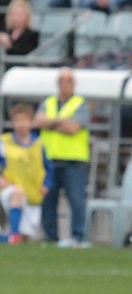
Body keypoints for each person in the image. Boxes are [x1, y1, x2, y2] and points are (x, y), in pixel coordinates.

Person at [0, 103, 54, 244]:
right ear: (12, 123)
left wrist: (47, 184)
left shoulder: (39, 144)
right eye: (17, 121)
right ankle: (13, 234)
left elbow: (49, 167)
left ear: (31, 122)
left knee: (25, 237)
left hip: (33, 193)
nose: (21, 125)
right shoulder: (3, 143)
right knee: (17, 193)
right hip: (11, 190)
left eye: (25, 121)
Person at [32, 67, 91, 248]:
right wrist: (61, 121)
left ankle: (77, 236)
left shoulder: (80, 103)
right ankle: (51, 236)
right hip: (49, 160)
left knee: (76, 200)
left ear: (73, 83)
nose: (64, 84)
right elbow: (37, 122)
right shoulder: (48, 101)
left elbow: (74, 128)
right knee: (48, 199)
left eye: (68, 80)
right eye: (61, 80)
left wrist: (50, 122)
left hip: (74, 161)